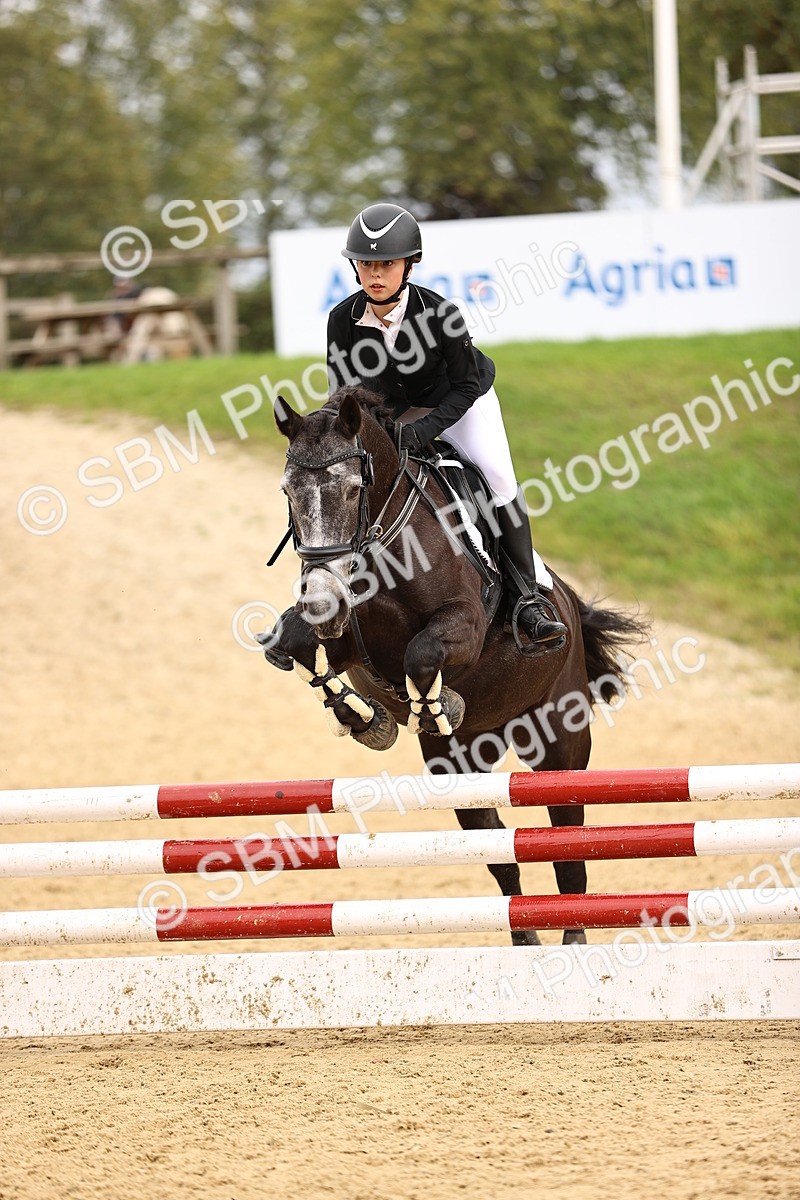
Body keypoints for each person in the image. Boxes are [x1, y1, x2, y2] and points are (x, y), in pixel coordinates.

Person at [326, 202, 567, 654]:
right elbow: (346, 395)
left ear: (409, 265)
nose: (375, 274)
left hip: (463, 400)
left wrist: (424, 431)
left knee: (497, 478)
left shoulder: (441, 314)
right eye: (366, 264)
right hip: (394, 410)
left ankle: (528, 600)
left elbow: (467, 385)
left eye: (386, 264)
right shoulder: (342, 320)